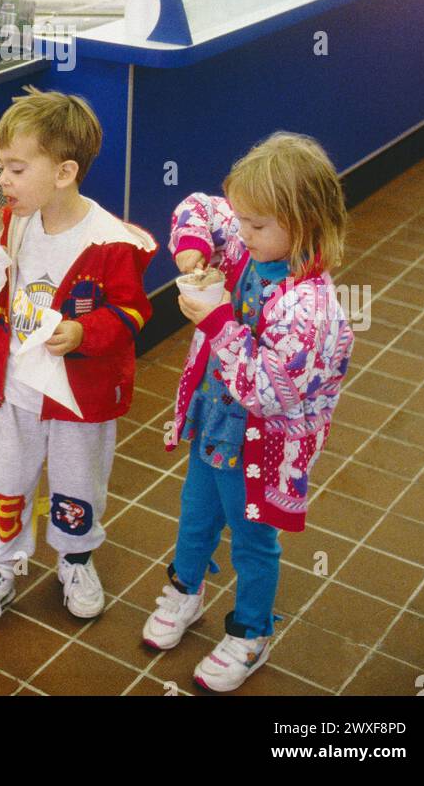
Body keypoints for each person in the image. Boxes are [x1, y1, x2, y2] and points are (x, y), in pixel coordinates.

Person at [142, 133, 353, 693]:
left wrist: (215, 323)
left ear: (304, 223)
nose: (240, 233)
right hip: (214, 426)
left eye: (256, 225)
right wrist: (190, 247)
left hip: (261, 450)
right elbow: (197, 207)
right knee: (194, 518)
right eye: (241, 220)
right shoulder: (246, 246)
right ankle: (185, 592)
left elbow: (270, 391)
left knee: (253, 542)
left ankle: (251, 632)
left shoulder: (314, 310)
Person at [0, 87, 157, 633]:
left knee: (79, 483)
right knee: (5, 480)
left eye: (16, 168)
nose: (3, 180)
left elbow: (133, 312)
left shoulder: (112, 242)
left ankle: (76, 559)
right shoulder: (14, 222)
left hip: (78, 401)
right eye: (2, 166)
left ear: (64, 172)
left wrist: (83, 330)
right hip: (16, 391)